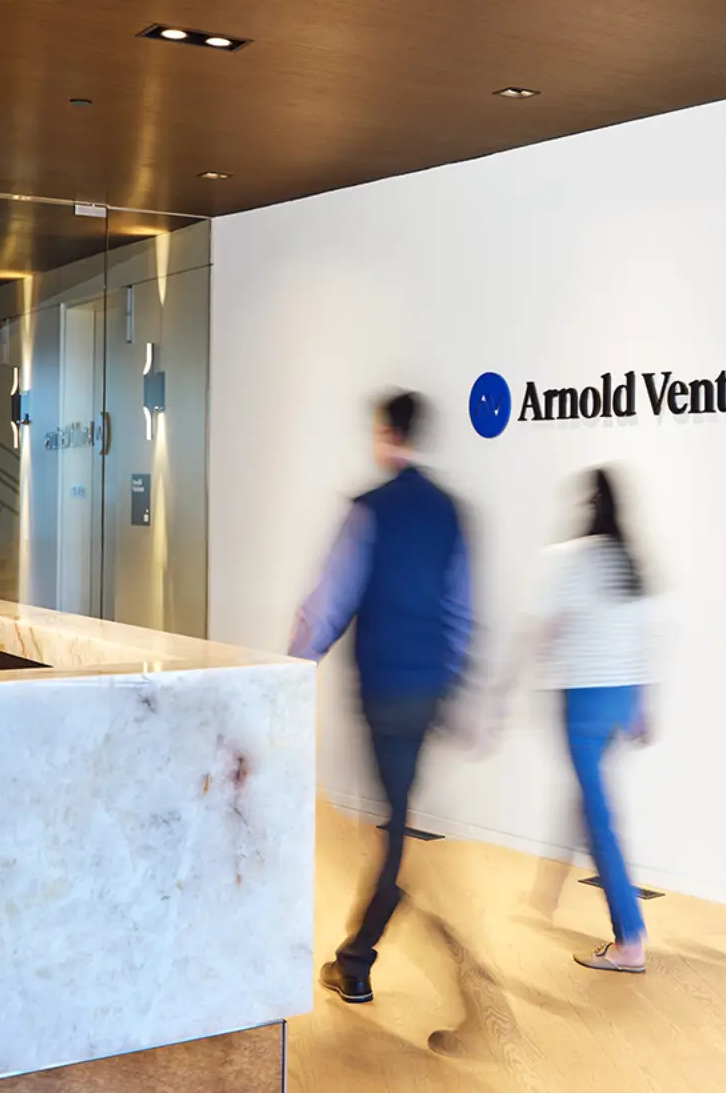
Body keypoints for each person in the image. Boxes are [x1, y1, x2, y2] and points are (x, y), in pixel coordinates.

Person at [288, 390, 473, 1004]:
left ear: (386, 434)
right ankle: (385, 890)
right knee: (395, 811)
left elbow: (331, 600)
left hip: (384, 685)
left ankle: (358, 954)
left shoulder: (369, 511)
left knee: (394, 824)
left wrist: (294, 667)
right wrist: (456, 681)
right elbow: (461, 608)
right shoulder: (451, 512)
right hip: (425, 689)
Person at [533, 467, 654, 974]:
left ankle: (630, 939)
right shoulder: (630, 563)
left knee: (598, 815)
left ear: (588, 505)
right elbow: (645, 637)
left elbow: (547, 630)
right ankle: (547, 890)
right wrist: (644, 704)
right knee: (589, 799)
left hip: (583, 701)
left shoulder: (572, 559)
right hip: (621, 699)